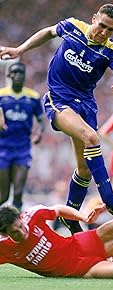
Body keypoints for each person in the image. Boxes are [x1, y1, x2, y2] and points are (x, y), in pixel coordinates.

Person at [0, 4, 113, 234]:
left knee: (84, 170)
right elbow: (47, 32)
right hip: (59, 99)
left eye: (111, 30)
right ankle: (111, 201)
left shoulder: (111, 49)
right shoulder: (73, 26)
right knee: (91, 137)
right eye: (102, 26)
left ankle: (71, 215)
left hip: (85, 105)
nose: (104, 33)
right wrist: (20, 50)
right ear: (94, 18)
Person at [0, 62, 45, 211]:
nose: (18, 75)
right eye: (15, 72)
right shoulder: (1, 95)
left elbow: (40, 120)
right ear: (9, 75)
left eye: (21, 72)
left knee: (18, 193)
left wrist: (39, 133)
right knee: (3, 196)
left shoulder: (33, 97)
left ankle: (16, 230)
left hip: (22, 149)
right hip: (3, 149)